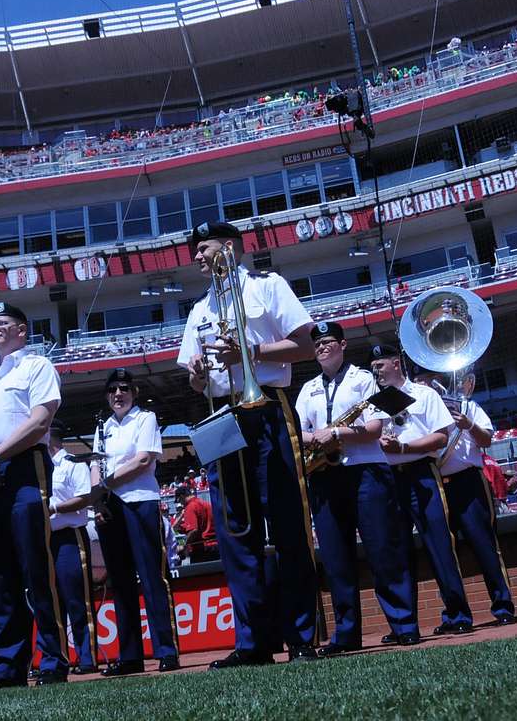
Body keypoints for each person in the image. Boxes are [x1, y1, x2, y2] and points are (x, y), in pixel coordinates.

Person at [177, 220, 320, 668]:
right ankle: (253, 641)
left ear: (230, 247)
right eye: (195, 252)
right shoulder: (199, 309)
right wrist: (198, 374)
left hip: (268, 408)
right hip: (222, 413)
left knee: (286, 523)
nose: (197, 257)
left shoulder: (267, 285)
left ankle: (300, 636)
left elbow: (305, 346)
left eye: (204, 248)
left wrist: (252, 353)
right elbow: (193, 374)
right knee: (235, 531)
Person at [0, 302, 68, 687]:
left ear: (23, 330)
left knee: (35, 565)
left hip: (25, 467)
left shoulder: (37, 366)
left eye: (3, 324)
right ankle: (8, 665)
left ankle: (54, 658)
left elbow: (41, 420)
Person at [295, 323, 417, 654]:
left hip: (366, 472)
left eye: (328, 342)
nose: (322, 347)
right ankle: (346, 635)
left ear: (343, 345)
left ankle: (404, 625)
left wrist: (335, 434)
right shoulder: (307, 389)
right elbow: (297, 433)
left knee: (383, 550)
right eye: (317, 343)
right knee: (336, 559)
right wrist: (318, 436)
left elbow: (375, 428)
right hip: (324, 475)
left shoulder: (363, 379)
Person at [370, 346, 474, 639]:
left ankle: (457, 614)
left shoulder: (425, 394)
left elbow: (441, 436)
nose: (377, 370)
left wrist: (402, 447)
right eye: (373, 366)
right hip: (388, 478)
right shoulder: (371, 402)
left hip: (420, 473)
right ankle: (405, 625)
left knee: (440, 545)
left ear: (395, 363)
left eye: (381, 364)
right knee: (396, 552)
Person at [93, 369, 180, 676]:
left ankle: (166, 651)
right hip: (112, 507)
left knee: (153, 577)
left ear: (134, 392)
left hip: (141, 501)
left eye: (124, 388)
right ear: (107, 395)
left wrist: (106, 484)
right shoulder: (103, 427)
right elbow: (95, 463)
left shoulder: (146, 418)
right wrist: (98, 499)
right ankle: (130, 655)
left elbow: (143, 460)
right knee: (121, 582)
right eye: (113, 389)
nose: (119, 394)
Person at [419, 372, 515, 626]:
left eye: (426, 380)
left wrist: (468, 424)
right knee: (443, 554)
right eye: (418, 380)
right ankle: (455, 614)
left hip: (468, 481)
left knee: (485, 546)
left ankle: (503, 606)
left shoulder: (467, 406)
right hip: (436, 485)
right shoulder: (420, 414)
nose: (423, 385)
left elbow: (487, 440)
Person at [46, 419, 98, 675]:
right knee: (53, 604)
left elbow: (84, 497)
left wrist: (53, 508)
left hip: (69, 536)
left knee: (77, 601)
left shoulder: (72, 463)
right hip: (47, 540)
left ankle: (87, 658)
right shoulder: (43, 468)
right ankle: (59, 660)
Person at [173, 486, 217, 563]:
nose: (181, 503)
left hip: (202, 549)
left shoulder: (190, 507)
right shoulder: (205, 503)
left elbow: (193, 530)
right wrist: (181, 516)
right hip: (214, 546)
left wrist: (184, 546)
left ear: (182, 496)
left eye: (179, 500)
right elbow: (176, 528)